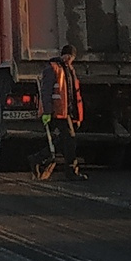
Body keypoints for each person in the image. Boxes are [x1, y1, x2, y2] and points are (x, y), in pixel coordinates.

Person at [36, 44, 86, 180]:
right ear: (62, 55)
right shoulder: (52, 69)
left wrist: (76, 115)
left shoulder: (69, 70)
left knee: (64, 140)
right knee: (70, 140)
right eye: (67, 56)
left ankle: (37, 159)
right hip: (56, 112)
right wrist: (47, 112)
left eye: (71, 57)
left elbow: (72, 94)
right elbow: (46, 92)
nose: (69, 59)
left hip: (66, 112)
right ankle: (71, 172)